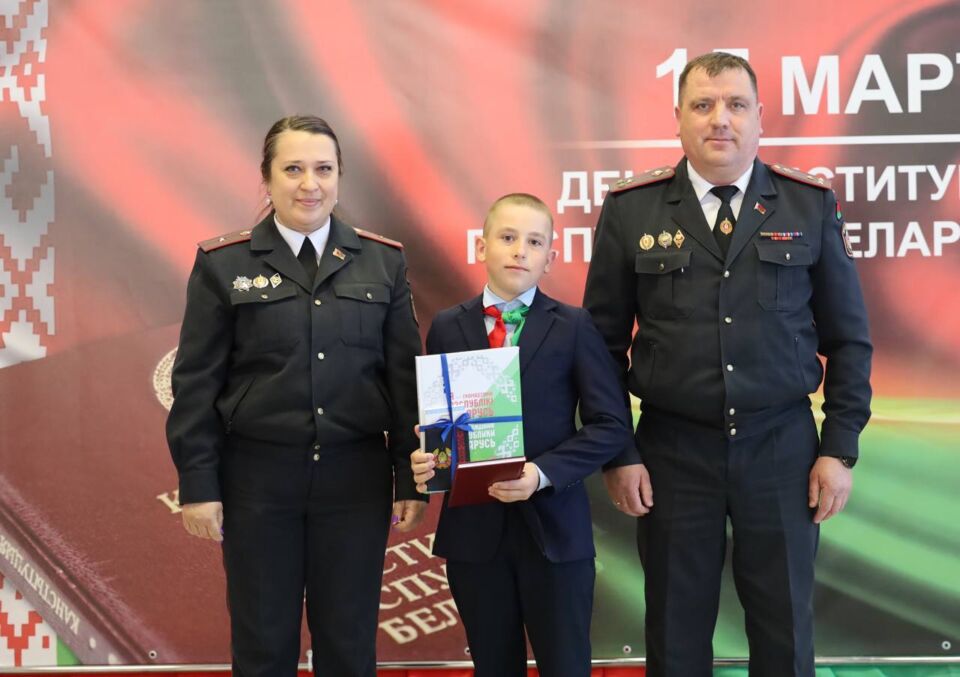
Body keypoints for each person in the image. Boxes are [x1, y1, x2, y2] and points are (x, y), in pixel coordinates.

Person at [583, 53, 872, 677]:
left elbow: (849, 340)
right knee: (675, 630)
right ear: (678, 118)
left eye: (736, 105)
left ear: (759, 117)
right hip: (671, 452)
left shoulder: (807, 205)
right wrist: (619, 452)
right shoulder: (633, 210)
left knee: (784, 630)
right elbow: (599, 347)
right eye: (704, 105)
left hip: (783, 450)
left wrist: (839, 448)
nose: (721, 119)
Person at [166, 115, 425, 676]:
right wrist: (198, 483)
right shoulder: (224, 264)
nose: (310, 184)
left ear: (339, 177)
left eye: (323, 169)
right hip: (259, 483)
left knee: (349, 646)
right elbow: (195, 383)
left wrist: (409, 476)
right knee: (263, 646)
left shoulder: (382, 261)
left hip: (355, 482)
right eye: (293, 169)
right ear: (266, 179)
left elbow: (406, 379)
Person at [411, 194, 631, 677]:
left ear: (550, 258)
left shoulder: (574, 326)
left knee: (566, 665)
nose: (519, 251)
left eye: (534, 242)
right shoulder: (447, 326)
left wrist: (542, 473)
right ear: (481, 246)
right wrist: (428, 459)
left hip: (555, 532)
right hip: (474, 537)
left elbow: (611, 425)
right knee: (493, 666)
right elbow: (440, 426)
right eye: (508, 237)